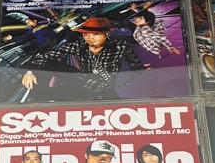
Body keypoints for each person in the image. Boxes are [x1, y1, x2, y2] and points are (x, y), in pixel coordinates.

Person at [19, 17, 147, 102]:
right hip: (82, 81)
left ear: (106, 34)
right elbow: (46, 57)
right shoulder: (77, 46)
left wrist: (138, 71)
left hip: (107, 86)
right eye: (86, 34)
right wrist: (30, 72)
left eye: (95, 34)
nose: (90, 38)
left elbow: (135, 64)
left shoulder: (121, 46)